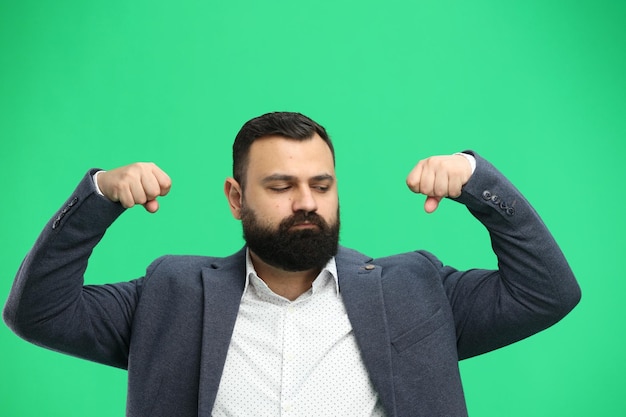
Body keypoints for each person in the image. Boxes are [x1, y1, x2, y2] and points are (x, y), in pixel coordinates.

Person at [3, 112, 580, 416]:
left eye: (321, 184)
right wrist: (99, 197)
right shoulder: (169, 292)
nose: (306, 201)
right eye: (281, 185)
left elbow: (546, 293)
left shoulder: (417, 287)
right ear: (236, 198)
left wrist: (481, 185)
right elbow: (38, 313)